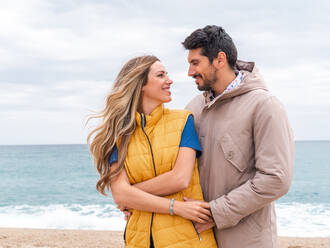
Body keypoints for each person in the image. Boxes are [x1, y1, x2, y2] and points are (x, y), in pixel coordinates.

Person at [182, 25, 294, 248]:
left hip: (247, 241)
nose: (190, 72)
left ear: (220, 60)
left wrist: (216, 212)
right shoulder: (193, 109)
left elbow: (276, 179)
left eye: (195, 63)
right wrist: (140, 202)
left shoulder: (265, 106)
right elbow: (175, 166)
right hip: (199, 240)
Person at [87, 55, 217, 248]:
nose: (169, 80)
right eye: (161, 75)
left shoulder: (183, 121)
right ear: (140, 84)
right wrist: (177, 207)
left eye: (167, 74)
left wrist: (129, 195)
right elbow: (120, 195)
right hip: (139, 240)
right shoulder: (117, 135)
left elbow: (180, 178)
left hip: (187, 238)